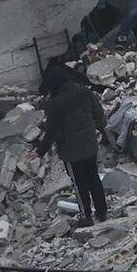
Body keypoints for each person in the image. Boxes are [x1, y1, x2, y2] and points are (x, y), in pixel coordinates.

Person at [35, 62, 108, 226]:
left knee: (79, 183)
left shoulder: (54, 104)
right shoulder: (85, 92)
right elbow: (99, 115)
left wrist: (40, 151)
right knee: (94, 177)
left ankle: (86, 217)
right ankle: (102, 212)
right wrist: (98, 129)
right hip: (90, 144)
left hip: (71, 151)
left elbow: (51, 131)